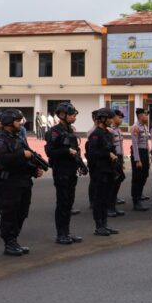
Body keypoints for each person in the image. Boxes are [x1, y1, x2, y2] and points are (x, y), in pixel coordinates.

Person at [0, 109, 43, 255]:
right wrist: (21, 154)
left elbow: (27, 159)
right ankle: (9, 242)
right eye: (17, 120)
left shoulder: (19, 138)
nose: (21, 123)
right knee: (10, 213)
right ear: (8, 122)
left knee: (22, 212)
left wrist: (34, 170)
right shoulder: (0, 140)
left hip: (24, 181)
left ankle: (14, 239)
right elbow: (3, 158)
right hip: (9, 183)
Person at [45, 102, 84, 245]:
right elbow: (50, 152)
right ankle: (60, 234)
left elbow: (75, 149)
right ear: (62, 115)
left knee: (69, 203)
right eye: (71, 114)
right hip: (61, 171)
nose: (74, 117)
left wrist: (80, 163)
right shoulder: (54, 132)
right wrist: (66, 151)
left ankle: (66, 232)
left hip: (71, 170)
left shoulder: (70, 130)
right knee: (62, 202)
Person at [88, 108, 120, 235]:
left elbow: (112, 149)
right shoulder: (96, 134)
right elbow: (93, 153)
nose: (112, 121)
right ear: (102, 119)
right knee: (99, 199)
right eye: (110, 118)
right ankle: (99, 225)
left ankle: (105, 224)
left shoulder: (108, 133)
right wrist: (108, 154)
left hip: (109, 170)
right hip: (100, 171)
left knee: (106, 198)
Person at [130, 108, 151, 212]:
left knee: (144, 175)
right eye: (145, 115)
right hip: (138, 153)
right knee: (137, 178)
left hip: (145, 153)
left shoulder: (145, 126)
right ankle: (136, 201)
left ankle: (139, 195)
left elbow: (146, 143)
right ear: (140, 116)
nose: (147, 117)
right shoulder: (136, 128)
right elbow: (135, 145)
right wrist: (137, 160)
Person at [108, 109, 127, 217]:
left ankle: (113, 205)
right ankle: (109, 207)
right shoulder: (110, 130)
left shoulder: (119, 130)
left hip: (119, 158)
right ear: (113, 117)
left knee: (118, 180)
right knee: (112, 183)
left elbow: (121, 148)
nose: (121, 120)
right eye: (119, 117)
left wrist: (122, 160)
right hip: (113, 159)